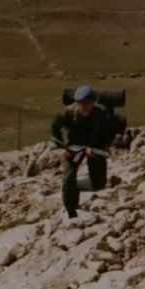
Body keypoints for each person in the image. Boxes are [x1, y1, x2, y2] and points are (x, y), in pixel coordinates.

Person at [51, 84, 116, 218]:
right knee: (68, 176)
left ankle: (77, 185)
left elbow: (108, 132)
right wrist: (63, 148)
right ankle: (71, 210)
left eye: (89, 103)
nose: (86, 106)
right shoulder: (67, 113)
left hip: (94, 147)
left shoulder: (101, 114)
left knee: (99, 183)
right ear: (77, 103)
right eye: (82, 103)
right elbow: (55, 128)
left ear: (93, 102)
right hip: (74, 147)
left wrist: (100, 147)